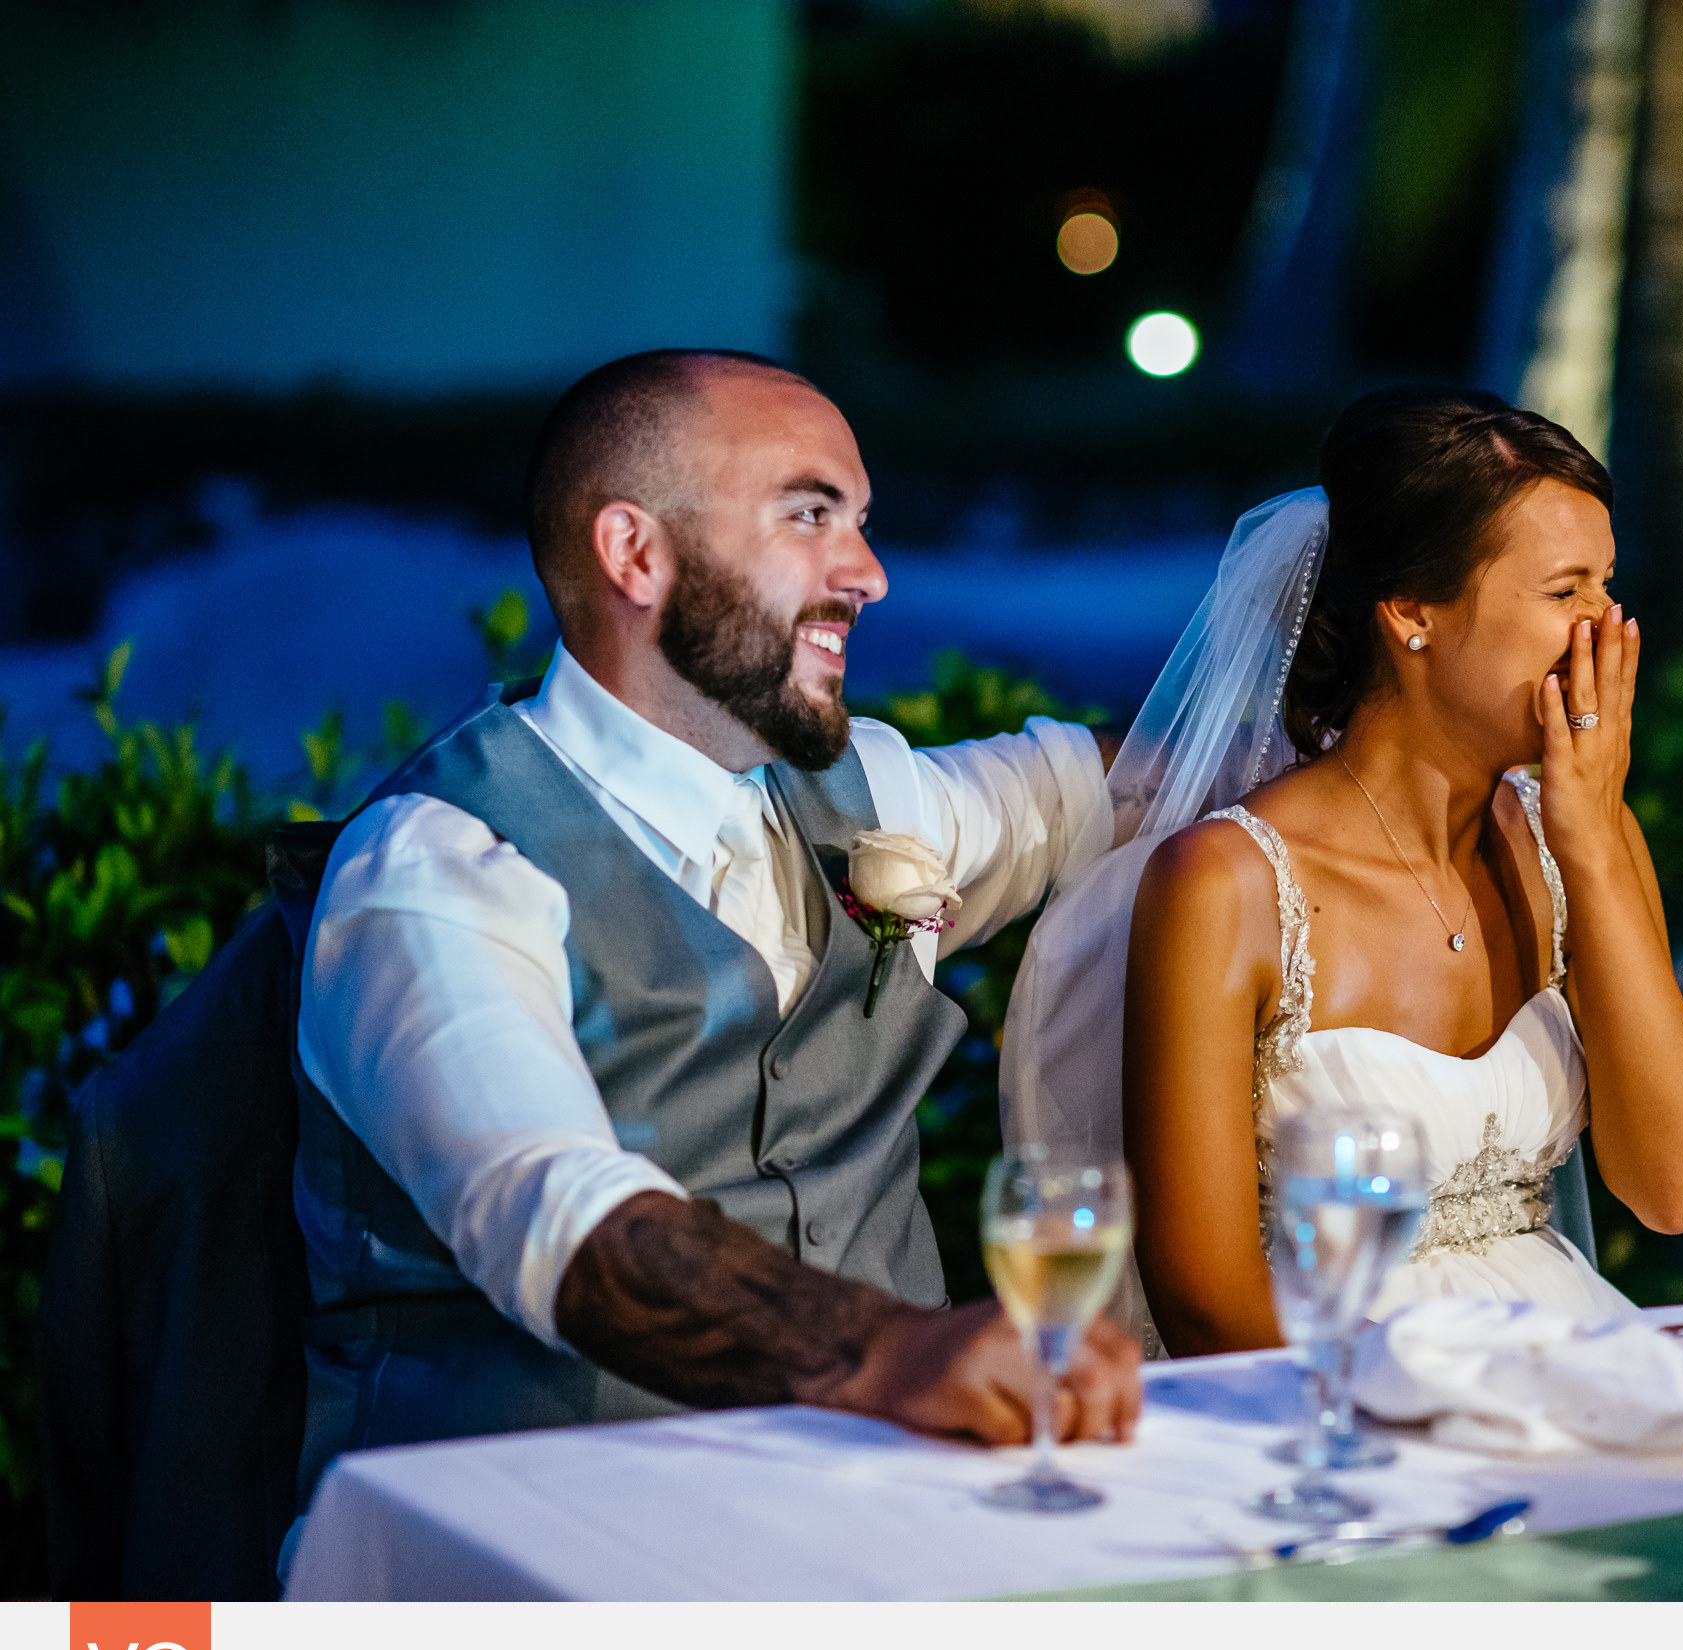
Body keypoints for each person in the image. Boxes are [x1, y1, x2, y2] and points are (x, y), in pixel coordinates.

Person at [290, 349, 1142, 1511]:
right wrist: (887, 1353)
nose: (871, 574)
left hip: (887, 1514)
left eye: (863, 521)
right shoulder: (437, 871)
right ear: (634, 553)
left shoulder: (876, 792)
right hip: (533, 1550)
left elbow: (1126, 782)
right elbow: (555, 1211)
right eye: (811, 515)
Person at [1001, 385, 1683, 1357]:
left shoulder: (1584, 841)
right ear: (1413, 615)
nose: (1608, 629)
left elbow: (1678, 1190)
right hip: (1323, 1399)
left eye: (1607, 585)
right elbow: (1208, 1309)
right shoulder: (1223, 885)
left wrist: (1593, 843)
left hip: (1578, 1358)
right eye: (1566, 592)